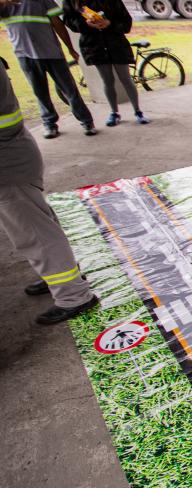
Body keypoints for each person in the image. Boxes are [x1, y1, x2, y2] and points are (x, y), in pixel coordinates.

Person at [0, 55, 98, 325]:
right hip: (13, 160)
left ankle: (73, 295)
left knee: (35, 233)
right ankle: (64, 277)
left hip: (8, 165)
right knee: (34, 228)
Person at [0, 0, 96, 138]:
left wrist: (69, 48)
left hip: (52, 53)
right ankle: (49, 123)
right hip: (25, 55)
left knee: (69, 90)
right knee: (40, 92)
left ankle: (86, 121)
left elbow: (57, 23)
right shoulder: (5, 5)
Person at [62, 0, 149, 127]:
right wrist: (87, 24)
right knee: (107, 80)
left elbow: (126, 22)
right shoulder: (71, 2)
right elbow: (69, 20)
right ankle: (114, 113)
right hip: (94, 46)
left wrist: (109, 23)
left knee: (125, 78)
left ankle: (138, 111)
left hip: (116, 44)